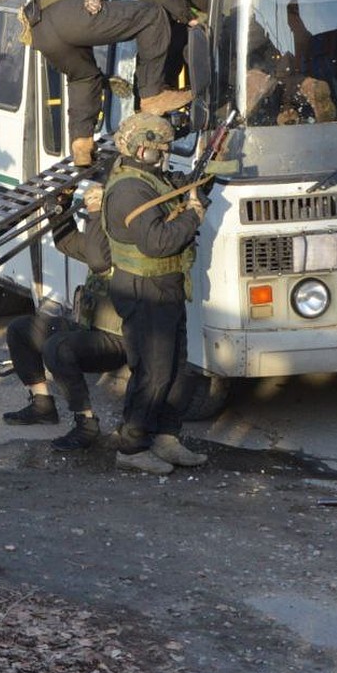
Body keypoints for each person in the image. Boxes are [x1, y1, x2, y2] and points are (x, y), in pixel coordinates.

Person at [20, 0, 195, 167]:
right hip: (71, 18)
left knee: (83, 77)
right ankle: (152, 95)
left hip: (40, 32)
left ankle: (81, 144)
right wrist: (185, 13)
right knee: (152, 15)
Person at [101, 112, 209, 474]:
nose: (163, 156)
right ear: (140, 149)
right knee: (154, 372)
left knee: (177, 368)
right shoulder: (130, 189)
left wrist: (193, 186)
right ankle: (131, 448)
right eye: (158, 149)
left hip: (164, 286)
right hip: (144, 289)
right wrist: (193, 214)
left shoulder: (144, 177)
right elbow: (158, 242)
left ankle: (166, 437)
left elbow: (166, 190)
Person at [1, 182, 129, 451]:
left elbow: (98, 260)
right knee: (21, 329)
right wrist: (60, 209)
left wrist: (94, 214)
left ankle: (86, 423)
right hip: (90, 329)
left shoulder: (128, 244)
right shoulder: (101, 241)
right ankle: (42, 404)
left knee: (58, 348)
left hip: (119, 340)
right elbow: (68, 242)